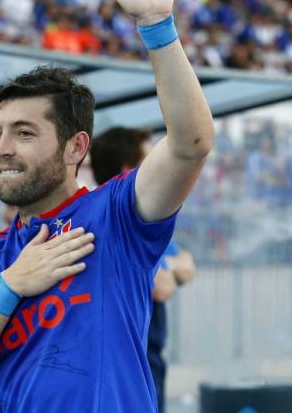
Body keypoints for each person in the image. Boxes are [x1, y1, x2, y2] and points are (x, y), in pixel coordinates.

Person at [0, 0, 215, 411]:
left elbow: (191, 143)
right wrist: (11, 284)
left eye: (23, 133)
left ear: (76, 146)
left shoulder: (116, 215)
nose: (3, 149)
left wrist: (157, 26)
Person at [89, 126, 196, 413]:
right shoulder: (105, 218)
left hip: (145, 362)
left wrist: (168, 267)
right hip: (125, 367)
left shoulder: (146, 219)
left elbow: (187, 266)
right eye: (151, 160)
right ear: (131, 169)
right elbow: (163, 285)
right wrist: (168, 269)